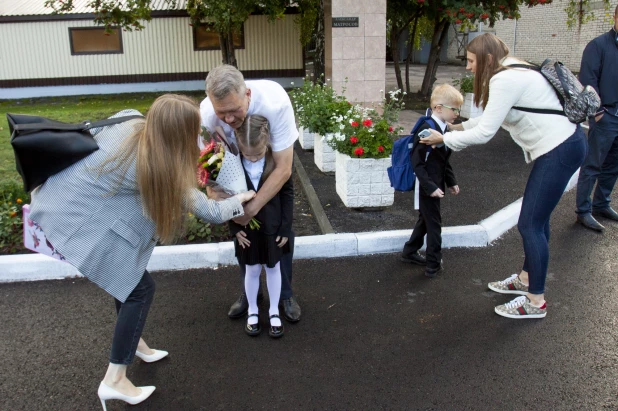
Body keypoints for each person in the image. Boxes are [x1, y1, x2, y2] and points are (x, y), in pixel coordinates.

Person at [28, 94, 255, 409]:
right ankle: (115, 379)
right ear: (177, 133)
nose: (197, 136)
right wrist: (243, 196)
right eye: (193, 130)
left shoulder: (131, 117)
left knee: (130, 280)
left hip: (64, 196)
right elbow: (212, 213)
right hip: (75, 218)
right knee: (139, 290)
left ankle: (133, 342)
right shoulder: (157, 167)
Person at [420, 34, 587, 319]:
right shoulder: (510, 67)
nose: (468, 68)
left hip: (559, 150)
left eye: (472, 61)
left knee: (530, 224)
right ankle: (525, 280)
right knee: (538, 220)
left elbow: (485, 133)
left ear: (486, 59)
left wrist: (444, 140)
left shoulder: (503, 80)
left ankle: (535, 301)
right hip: (563, 146)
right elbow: (487, 122)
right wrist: (452, 129)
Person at [200, 64, 301, 322]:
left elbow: (283, 169)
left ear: (247, 94)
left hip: (269, 169)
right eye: (222, 113)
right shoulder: (207, 115)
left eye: (234, 111)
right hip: (237, 179)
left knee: (277, 238)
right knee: (247, 242)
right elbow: (212, 174)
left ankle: (285, 294)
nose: (229, 119)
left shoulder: (275, 102)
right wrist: (231, 212)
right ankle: (251, 296)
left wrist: (251, 210)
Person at [228, 115, 293, 338]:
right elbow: (226, 199)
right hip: (247, 231)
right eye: (248, 155)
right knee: (252, 269)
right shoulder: (232, 165)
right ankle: (253, 310)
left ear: (266, 144)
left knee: (274, 268)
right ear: (239, 147)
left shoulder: (278, 162)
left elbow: (287, 193)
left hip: (273, 228)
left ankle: (274, 310)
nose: (254, 159)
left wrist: (285, 227)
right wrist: (235, 229)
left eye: (258, 154)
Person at [401, 84, 462, 278]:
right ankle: (433, 264)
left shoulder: (443, 128)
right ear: (438, 108)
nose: (457, 113)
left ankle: (410, 251)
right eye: (454, 109)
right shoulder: (427, 129)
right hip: (427, 185)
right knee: (434, 223)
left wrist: (451, 181)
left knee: (426, 220)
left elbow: (443, 160)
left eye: (458, 109)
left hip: (435, 184)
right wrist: (430, 187)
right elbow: (417, 162)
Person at [575, 4, 618, 232]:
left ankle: (602, 204)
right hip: (606, 116)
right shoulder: (598, 45)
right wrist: (598, 113)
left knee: (613, 166)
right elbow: (588, 80)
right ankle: (583, 211)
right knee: (593, 165)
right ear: (615, 16)